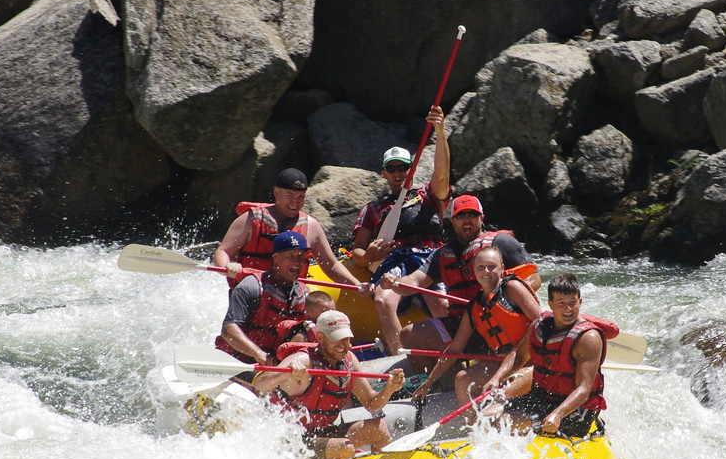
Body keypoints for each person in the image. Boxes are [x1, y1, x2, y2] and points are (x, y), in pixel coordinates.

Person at [380, 194, 540, 367]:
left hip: (500, 322)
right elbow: (413, 282)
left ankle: (521, 364)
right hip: (463, 325)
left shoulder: (502, 242)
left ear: (481, 218)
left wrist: (505, 299)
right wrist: (394, 282)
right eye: (461, 216)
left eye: (472, 215)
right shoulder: (442, 255)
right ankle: (444, 384)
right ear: (452, 221)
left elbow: (534, 277)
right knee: (408, 335)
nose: (467, 220)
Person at [350, 106, 451, 353]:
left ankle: (452, 354)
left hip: (429, 258)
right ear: (384, 173)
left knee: (439, 303)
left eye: (403, 168)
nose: (398, 173)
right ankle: (399, 358)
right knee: (383, 299)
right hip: (394, 263)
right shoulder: (374, 208)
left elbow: (442, 175)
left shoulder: (429, 196)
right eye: (392, 169)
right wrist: (370, 257)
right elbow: (358, 253)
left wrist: (440, 131)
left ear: (412, 170)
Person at [253, 310, 407, 459]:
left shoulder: (350, 361)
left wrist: (389, 389)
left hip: (321, 433)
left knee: (378, 428)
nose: (343, 345)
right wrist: (286, 374)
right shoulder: (304, 359)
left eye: (346, 339)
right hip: (291, 441)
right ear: (320, 337)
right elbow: (260, 383)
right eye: (337, 339)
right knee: (344, 447)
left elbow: (372, 404)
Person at [412, 246, 539, 411]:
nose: (486, 271)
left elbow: (540, 321)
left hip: (530, 362)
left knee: (496, 397)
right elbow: (455, 348)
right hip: (501, 364)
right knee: (462, 379)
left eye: (491, 267)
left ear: (501, 269)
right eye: (480, 267)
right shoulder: (475, 308)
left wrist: (514, 359)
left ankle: (495, 414)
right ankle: (471, 426)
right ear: (474, 271)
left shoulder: (512, 288)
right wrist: (429, 381)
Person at [485, 273, 609, 438]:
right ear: (550, 304)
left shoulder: (588, 338)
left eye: (573, 303)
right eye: (561, 303)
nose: (568, 309)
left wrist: (557, 414)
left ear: (580, 302)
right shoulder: (539, 326)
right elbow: (519, 355)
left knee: (506, 421)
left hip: (576, 410)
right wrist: (497, 378)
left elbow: (584, 389)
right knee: (488, 415)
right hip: (542, 398)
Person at [212, 167, 362, 289]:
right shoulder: (250, 220)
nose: (295, 203)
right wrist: (228, 266)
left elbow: (332, 266)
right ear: (276, 193)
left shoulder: (312, 227)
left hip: (290, 299)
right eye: (290, 195)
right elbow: (222, 251)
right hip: (252, 292)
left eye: (300, 197)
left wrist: (358, 285)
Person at [216, 231, 311, 376]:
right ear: (276, 258)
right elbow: (229, 330)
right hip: (237, 362)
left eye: (300, 257)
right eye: (290, 256)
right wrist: (259, 354)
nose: (297, 263)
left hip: (275, 369)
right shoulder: (252, 286)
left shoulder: (304, 294)